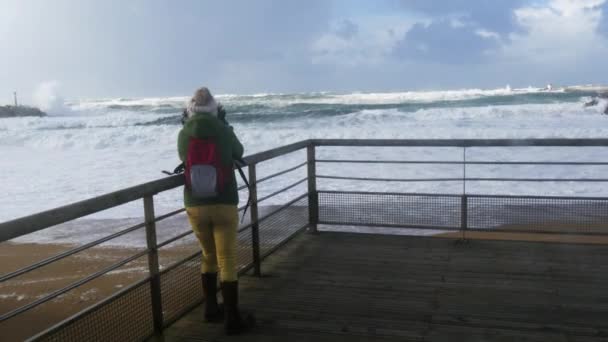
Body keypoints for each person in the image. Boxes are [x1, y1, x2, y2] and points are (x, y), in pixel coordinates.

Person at [177, 87, 254, 335]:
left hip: (195, 204)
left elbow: (182, 156)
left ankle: (211, 309)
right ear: (215, 108)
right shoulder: (223, 129)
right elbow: (238, 152)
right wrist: (225, 124)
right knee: (227, 259)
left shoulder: (184, 132)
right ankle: (232, 318)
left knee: (207, 255)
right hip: (224, 201)